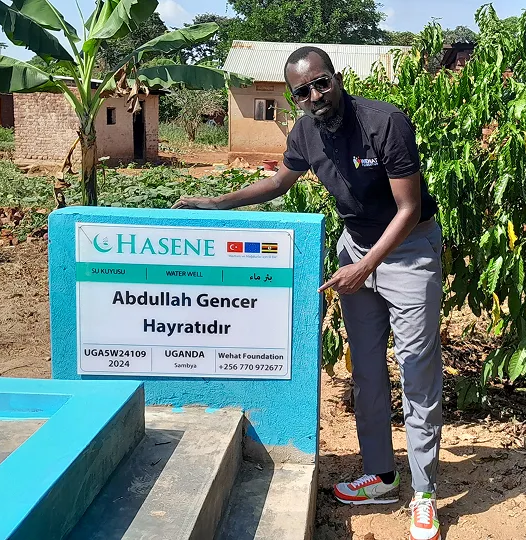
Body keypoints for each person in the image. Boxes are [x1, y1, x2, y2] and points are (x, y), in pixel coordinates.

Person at [173, 46, 444, 540]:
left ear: (336, 78)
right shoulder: (304, 131)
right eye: (303, 91)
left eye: (322, 83)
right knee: (366, 372)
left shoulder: (385, 123)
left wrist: (365, 267)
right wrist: (217, 202)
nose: (316, 95)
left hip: (408, 250)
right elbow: (281, 181)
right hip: (355, 249)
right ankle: (382, 476)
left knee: (416, 371)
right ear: (294, 97)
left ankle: (424, 493)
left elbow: (407, 209)